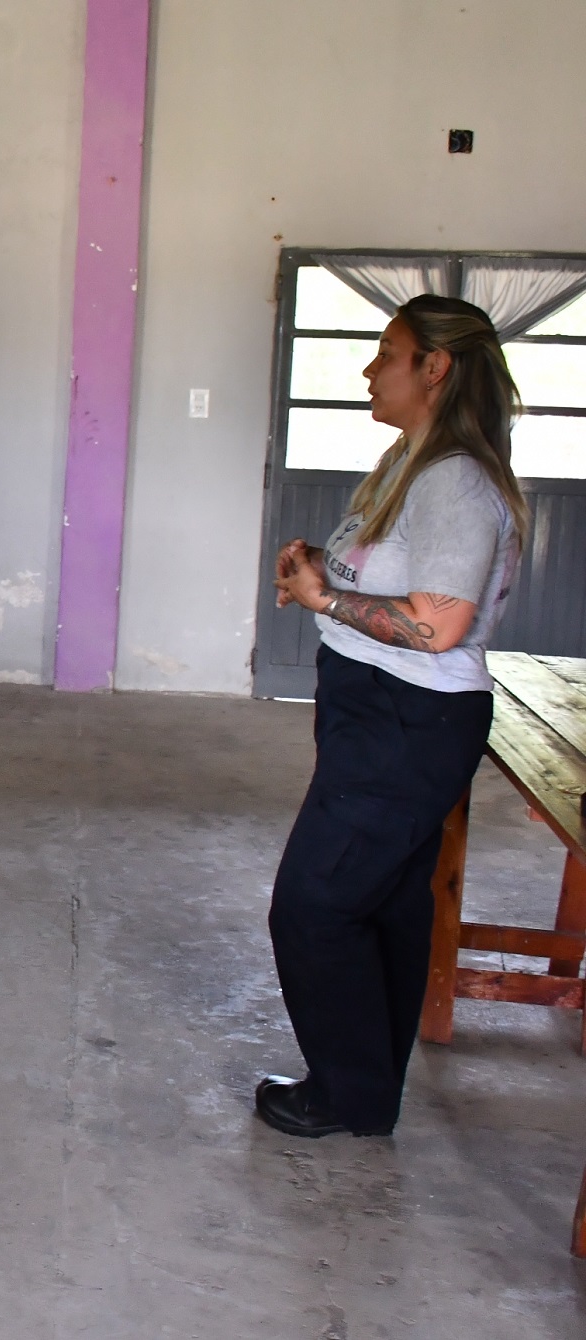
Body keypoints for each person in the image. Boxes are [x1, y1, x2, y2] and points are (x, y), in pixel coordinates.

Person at [261, 295, 528, 1139]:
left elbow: (437, 623)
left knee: (313, 906)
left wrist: (326, 598)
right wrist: (320, 572)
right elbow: (391, 582)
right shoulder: (412, 461)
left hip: (405, 721)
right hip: (384, 712)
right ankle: (366, 1093)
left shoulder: (452, 479)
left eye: (387, 354)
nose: (370, 370)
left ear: (436, 367)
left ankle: (342, 1094)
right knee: (382, 902)